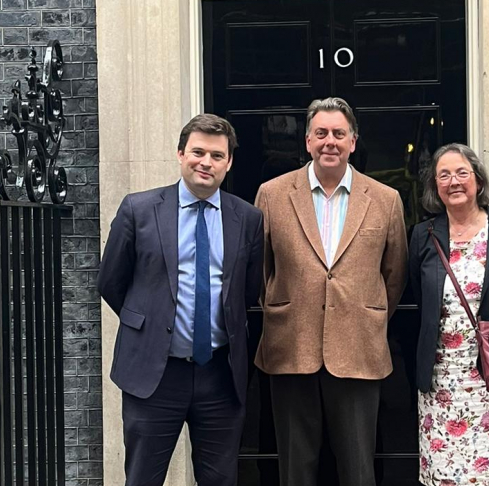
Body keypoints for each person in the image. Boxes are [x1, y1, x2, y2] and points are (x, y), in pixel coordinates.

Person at [98, 114, 263, 486]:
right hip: (154, 375)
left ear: (229, 162)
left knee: (220, 480)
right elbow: (111, 282)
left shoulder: (248, 219)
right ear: (180, 154)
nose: (206, 162)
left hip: (220, 376)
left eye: (217, 155)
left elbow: (248, 292)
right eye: (198, 152)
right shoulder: (138, 210)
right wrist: (149, 323)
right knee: (143, 479)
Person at [253, 97, 408, 486]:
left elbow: (395, 273)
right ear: (307, 141)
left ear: (353, 141)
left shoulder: (386, 200)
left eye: (339, 133)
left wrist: (366, 314)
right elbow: (258, 270)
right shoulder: (272, 194)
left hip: (358, 346)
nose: (330, 142)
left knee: (358, 469)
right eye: (321, 133)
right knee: (295, 470)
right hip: (291, 346)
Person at [408, 143, 489, 486]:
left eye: (462, 172)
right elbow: (418, 295)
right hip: (442, 378)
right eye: (444, 175)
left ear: (478, 180)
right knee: (448, 472)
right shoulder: (424, 235)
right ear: (435, 186)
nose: (454, 181)